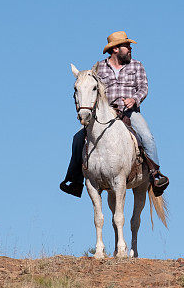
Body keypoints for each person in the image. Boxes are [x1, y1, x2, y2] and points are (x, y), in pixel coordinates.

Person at [60, 31, 169, 198]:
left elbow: (143, 88)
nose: (130, 48)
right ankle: (75, 180)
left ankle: (155, 175)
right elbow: (90, 90)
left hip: (129, 112)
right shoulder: (99, 68)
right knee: (77, 139)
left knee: (147, 137)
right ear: (116, 49)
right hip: (106, 113)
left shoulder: (136, 65)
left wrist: (134, 99)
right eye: (127, 46)